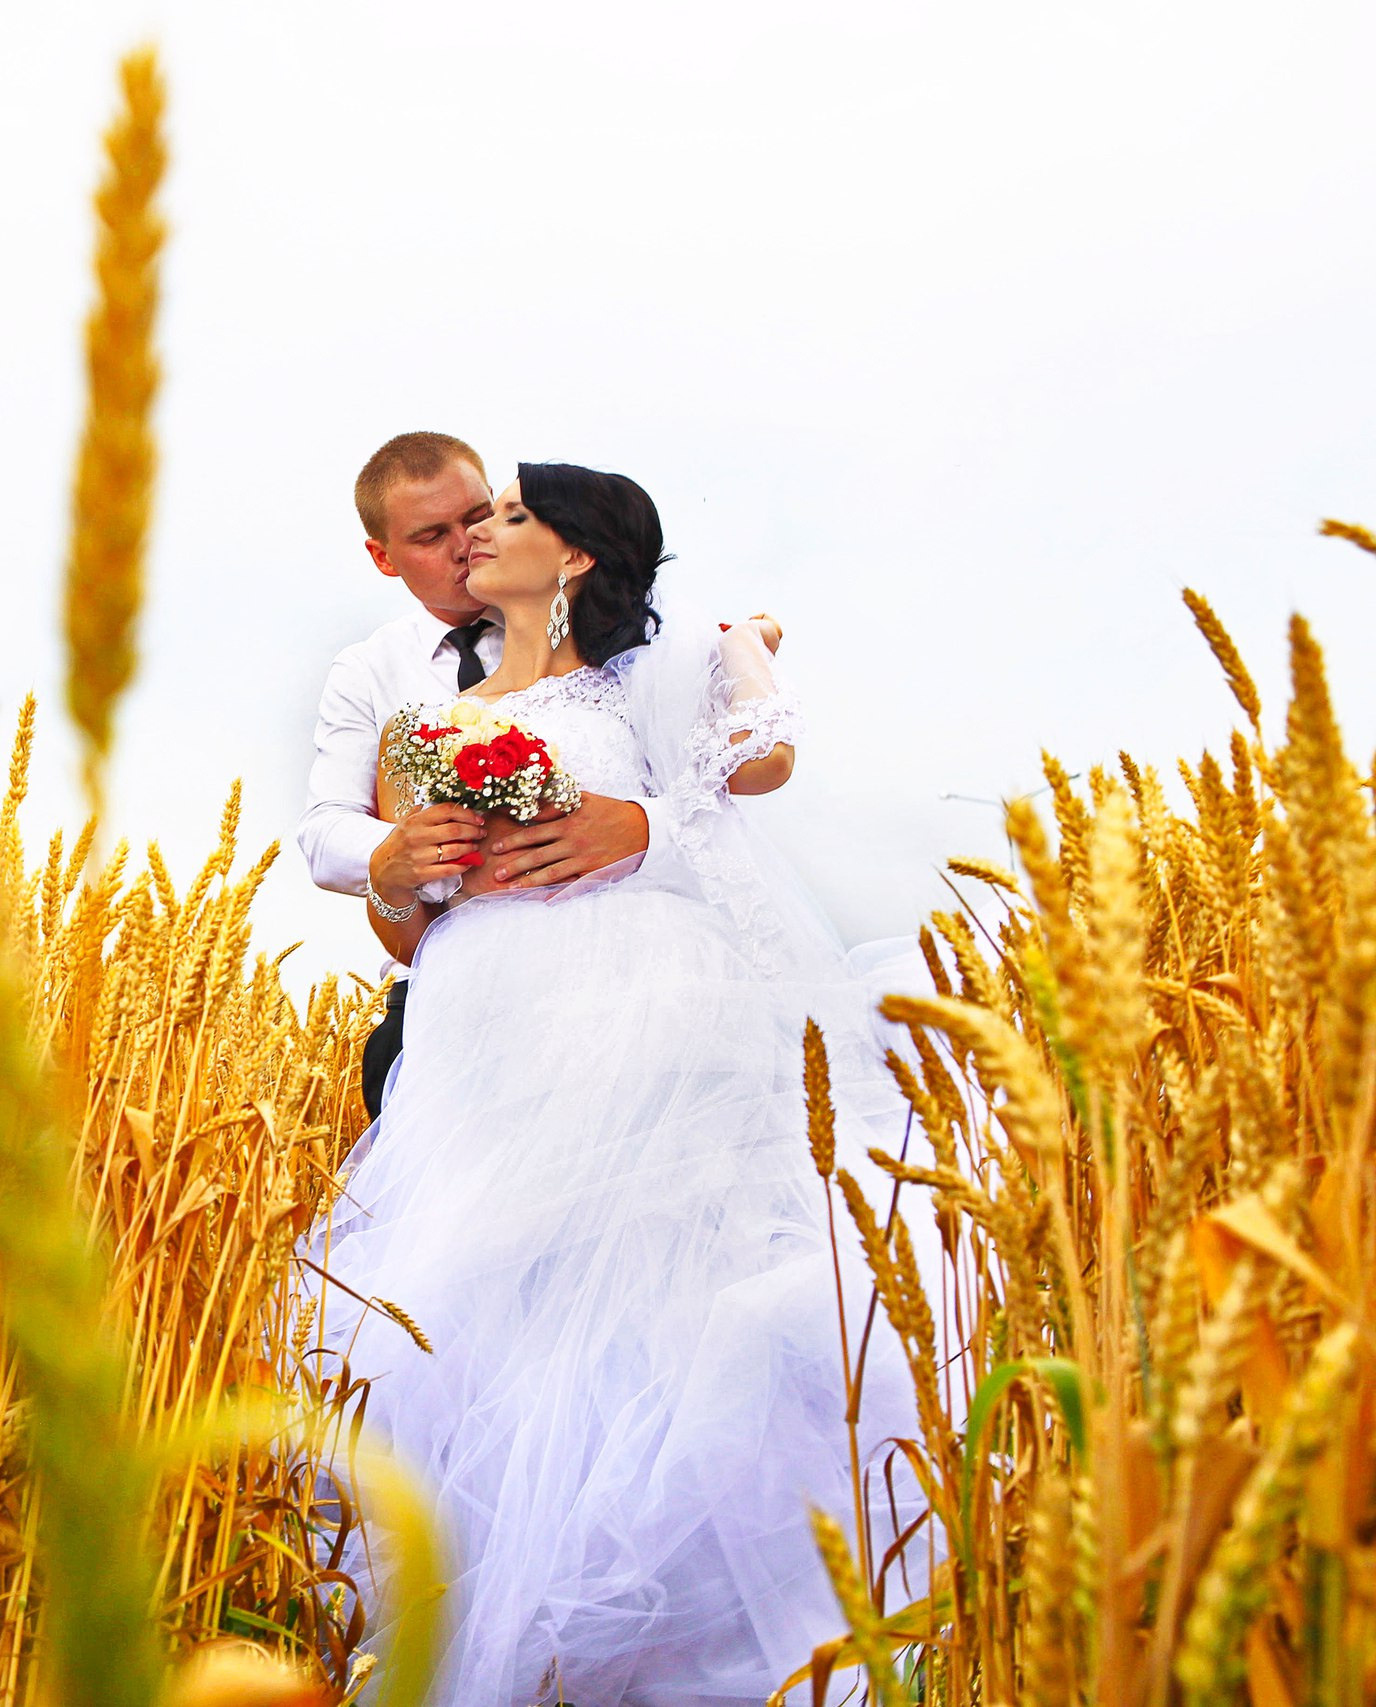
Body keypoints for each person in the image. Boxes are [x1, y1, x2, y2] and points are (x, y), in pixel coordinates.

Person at [312, 462, 922, 1706]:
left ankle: (702, 1640)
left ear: (577, 555)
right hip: (485, 1031)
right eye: (466, 522)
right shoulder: (428, 711)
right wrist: (402, 866)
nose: (483, 534)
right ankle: (519, 1638)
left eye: (509, 517)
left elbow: (762, 755)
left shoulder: (646, 671)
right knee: (505, 1314)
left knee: (653, 1292)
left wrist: (646, 806)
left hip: (636, 1009)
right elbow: (406, 922)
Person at [292, 434, 677, 1118]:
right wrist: (390, 853)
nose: (466, 542)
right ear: (383, 557)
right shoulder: (370, 673)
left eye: (476, 515)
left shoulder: (609, 635)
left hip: (626, 981)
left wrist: (647, 826)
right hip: (448, 993)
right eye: (431, 535)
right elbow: (324, 829)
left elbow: (716, 774)